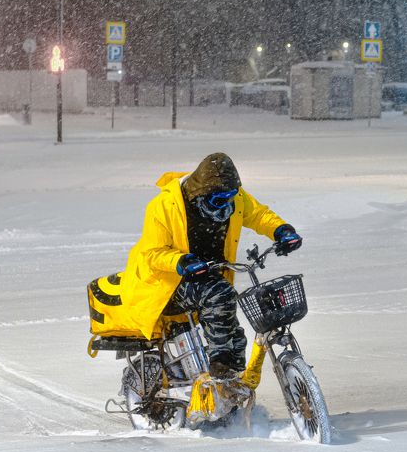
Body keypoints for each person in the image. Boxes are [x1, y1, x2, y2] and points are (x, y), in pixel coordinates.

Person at [119, 152, 302, 383]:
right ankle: (219, 363)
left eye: (231, 196)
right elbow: (152, 253)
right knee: (220, 294)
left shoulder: (233, 199)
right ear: (200, 193)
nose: (226, 203)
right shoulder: (165, 206)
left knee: (236, 337)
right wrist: (181, 261)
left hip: (208, 277)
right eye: (218, 200)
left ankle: (229, 391)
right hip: (166, 282)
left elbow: (258, 214)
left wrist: (281, 230)